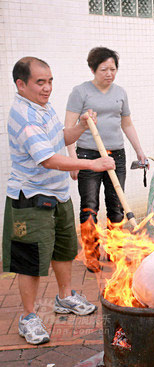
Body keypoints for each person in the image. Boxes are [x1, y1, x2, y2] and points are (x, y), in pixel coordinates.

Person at [3, 57, 115, 345]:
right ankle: (28, 317)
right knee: (30, 260)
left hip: (58, 194)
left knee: (63, 249)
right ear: (21, 84)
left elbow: (59, 138)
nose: (47, 88)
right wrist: (92, 165)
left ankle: (64, 297)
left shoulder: (44, 107)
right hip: (31, 198)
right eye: (40, 82)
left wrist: (80, 126)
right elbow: (48, 158)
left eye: (50, 81)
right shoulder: (22, 114)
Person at [65, 47, 147, 273]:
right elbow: (68, 128)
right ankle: (91, 255)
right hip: (88, 155)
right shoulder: (80, 92)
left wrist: (138, 150)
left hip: (115, 155)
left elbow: (126, 123)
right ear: (93, 69)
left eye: (113, 69)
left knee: (117, 206)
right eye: (104, 69)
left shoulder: (120, 92)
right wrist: (72, 159)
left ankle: (115, 250)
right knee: (89, 206)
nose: (109, 73)